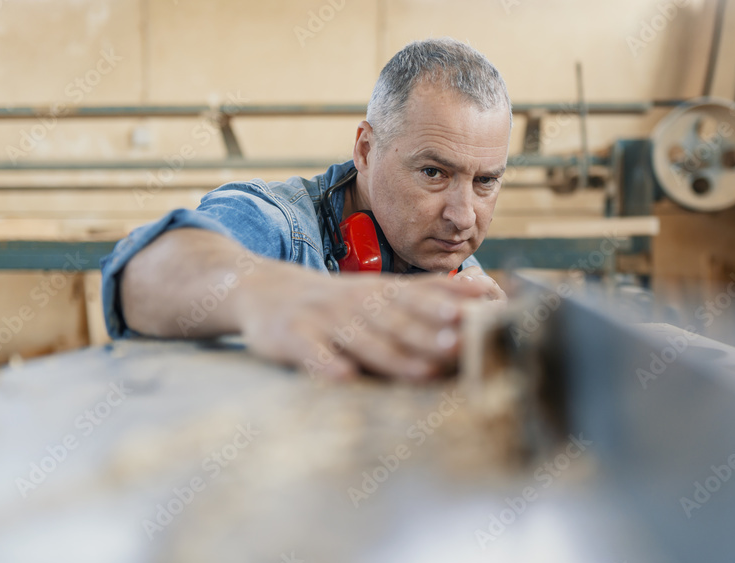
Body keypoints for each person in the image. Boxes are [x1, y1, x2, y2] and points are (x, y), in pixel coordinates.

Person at [100, 38, 511, 380]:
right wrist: (270, 294)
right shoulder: (279, 225)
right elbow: (143, 269)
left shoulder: (456, 264)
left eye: (485, 181)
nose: (463, 217)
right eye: (433, 172)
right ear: (366, 150)